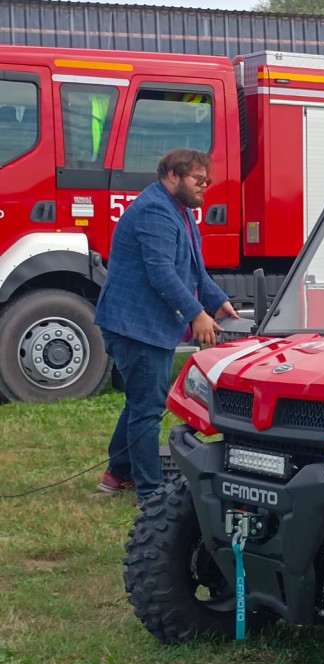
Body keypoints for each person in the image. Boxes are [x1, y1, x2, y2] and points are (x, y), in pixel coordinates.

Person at [94, 148, 237, 502]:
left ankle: (116, 475)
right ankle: (150, 494)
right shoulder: (156, 210)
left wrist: (218, 302)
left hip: (143, 322)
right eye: (198, 180)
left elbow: (193, 269)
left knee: (141, 401)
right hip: (134, 324)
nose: (205, 187)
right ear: (172, 175)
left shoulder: (182, 211)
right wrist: (196, 314)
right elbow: (162, 273)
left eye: (208, 181)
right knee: (147, 408)